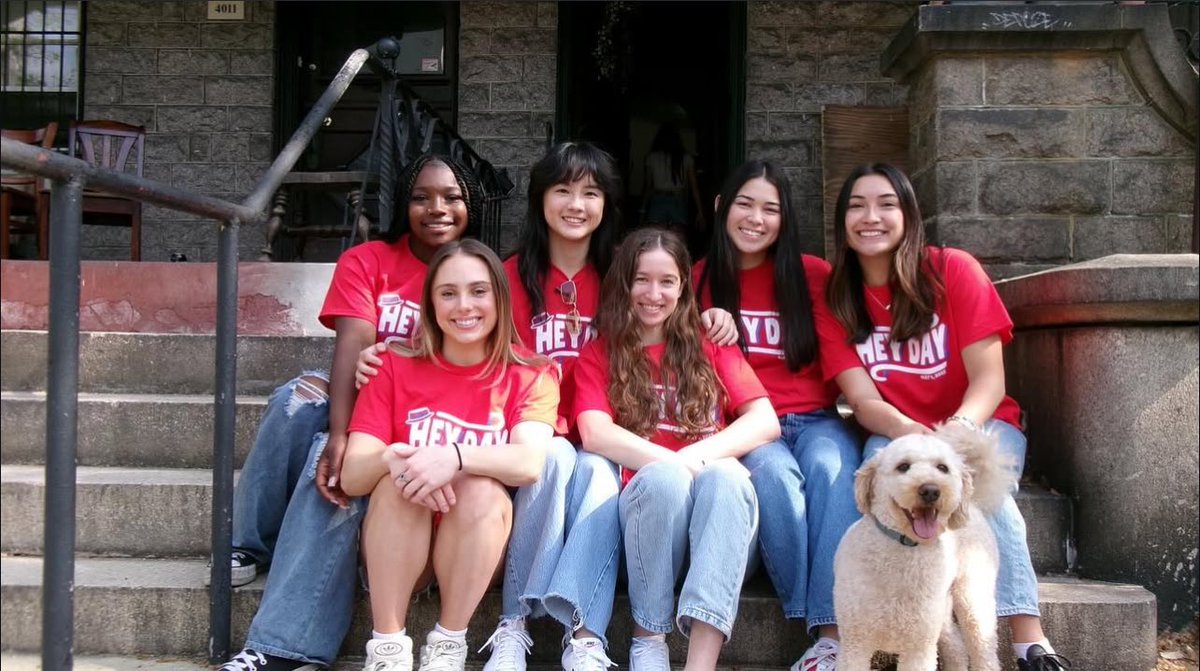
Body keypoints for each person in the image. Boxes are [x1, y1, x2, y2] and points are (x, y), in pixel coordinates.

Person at [219, 153, 484, 671]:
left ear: (470, 205)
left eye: (452, 197)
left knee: (333, 466)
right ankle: (249, 542)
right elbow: (350, 349)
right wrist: (341, 434)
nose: (437, 209)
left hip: (423, 412)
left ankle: (283, 648)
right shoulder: (369, 260)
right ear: (400, 205)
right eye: (420, 197)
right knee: (296, 403)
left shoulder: (477, 273)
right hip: (364, 392)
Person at [819, 163, 1073, 671]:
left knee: (978, 490)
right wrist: (916, 438)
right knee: (877, 486)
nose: (871, 217)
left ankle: (1028, 639)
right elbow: (865, 402)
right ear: (842, 222)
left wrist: (952, 434)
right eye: (856, 206)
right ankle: (885, 628)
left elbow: (989, 381)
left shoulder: (953, 269)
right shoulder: (838, 298)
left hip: (978, 422)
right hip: (897, 432)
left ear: (909, 215)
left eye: (886, 204)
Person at [339, 239, 561, 671]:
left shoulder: (531, 374)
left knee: (482, 489)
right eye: (448, 293)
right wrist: (396, 461)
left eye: (479, 291)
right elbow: (352, 476)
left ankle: (447, 646)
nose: (464, 306)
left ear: (500, 296)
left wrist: (455, 457)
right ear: (430, 302)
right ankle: (387, 649)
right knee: (396, 481)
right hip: (398, 548)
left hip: (477, 552)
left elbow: (529, 462)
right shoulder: (392, 365)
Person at [573, 227, 781, 671]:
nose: (653, 293)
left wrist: (695, 461)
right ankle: (649, 640)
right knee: (665, 479)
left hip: (720, 536)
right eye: (641, 280)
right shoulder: (601, 353)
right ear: (622, 284)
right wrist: (675, 466)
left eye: (667, 281)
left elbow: (765, 421)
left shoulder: (711, 346)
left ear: (683, 287)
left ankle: (699, 666)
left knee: (726, 476)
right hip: (647, 539)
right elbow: (594, 433)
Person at [694, 159, 861, 671]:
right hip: (747, 426)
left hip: (815, 417)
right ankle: (808, 614)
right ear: (722, 207)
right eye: (745, 203)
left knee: (833, 472)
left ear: (785, 219)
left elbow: (840, 353)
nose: (756, 218)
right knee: (776, 478)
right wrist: (703, 319)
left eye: (771, 209)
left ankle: (830, 635)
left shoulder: (812, 275)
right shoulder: (699, 278)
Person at [641, 123, 704, 238]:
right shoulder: (686, 158)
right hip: (677, 200)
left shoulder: (651, 158)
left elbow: (648, 186)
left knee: (656, 241)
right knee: (677, 241)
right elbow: (694, 187)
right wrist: (700, 211)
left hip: (658, 199)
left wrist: (643, 208)